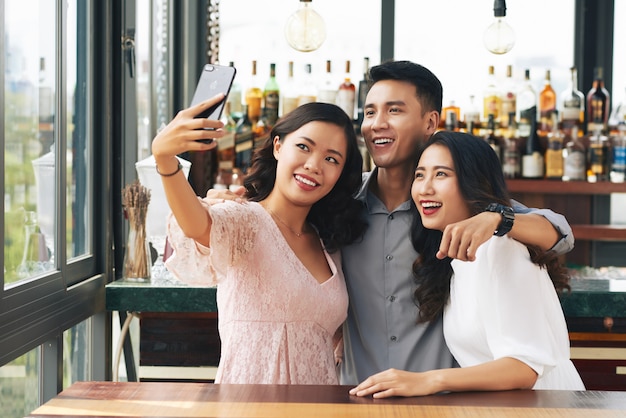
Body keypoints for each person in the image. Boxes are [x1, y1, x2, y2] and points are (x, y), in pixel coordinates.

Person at [339, 61, 575, 385]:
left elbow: (557, 232)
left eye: (394, 111)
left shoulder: (463, 209)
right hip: (356, 395)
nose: (377, 124)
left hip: (444, 401)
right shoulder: (340, 204)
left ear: (430, 122)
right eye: (369, 113)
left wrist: (497, 219)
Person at [350, 131, 585, 397]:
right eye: (419, 175)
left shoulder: (500, 247)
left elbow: (524, 368)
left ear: (473, 182)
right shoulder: (455, 258)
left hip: (547, 408)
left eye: (441, 174)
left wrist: (428, 381)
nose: (425, 188)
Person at [151, 97, 367, 384]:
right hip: (248, 406)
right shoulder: (246, 220)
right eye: (303, 147)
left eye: (331, 159)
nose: (314, 165)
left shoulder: (329, 244)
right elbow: (196, 225)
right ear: (278, 146)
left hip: (318, 409)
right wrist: (165, 160)